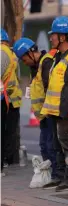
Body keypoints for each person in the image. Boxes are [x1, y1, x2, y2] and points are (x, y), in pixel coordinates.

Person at [41, 16, 68, 191]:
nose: (51, 37)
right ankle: (61, 176)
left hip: (66, 114)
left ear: (63, 37)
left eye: (54, 35)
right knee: (58, 146)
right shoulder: (58, 56)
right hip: (55, 112)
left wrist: (63, 112)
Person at [12, 37, 60, 187]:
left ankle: (57, 175)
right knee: (44, 145)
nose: (24, 63)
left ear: (30, 53)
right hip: (43, 114)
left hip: (50, 112)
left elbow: (49, 89)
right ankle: (51, 174)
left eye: (24, 59)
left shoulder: (46, 63)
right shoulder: (36, 67)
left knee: (51, 145)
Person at [1, 28, 22, 170]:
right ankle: (9, 159)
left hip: (6, 98)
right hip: (12, 97)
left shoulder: (2, 52)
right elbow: (18, 77)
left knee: (5, 132)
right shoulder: (11, 53)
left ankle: (4, 161)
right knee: (9, 132)